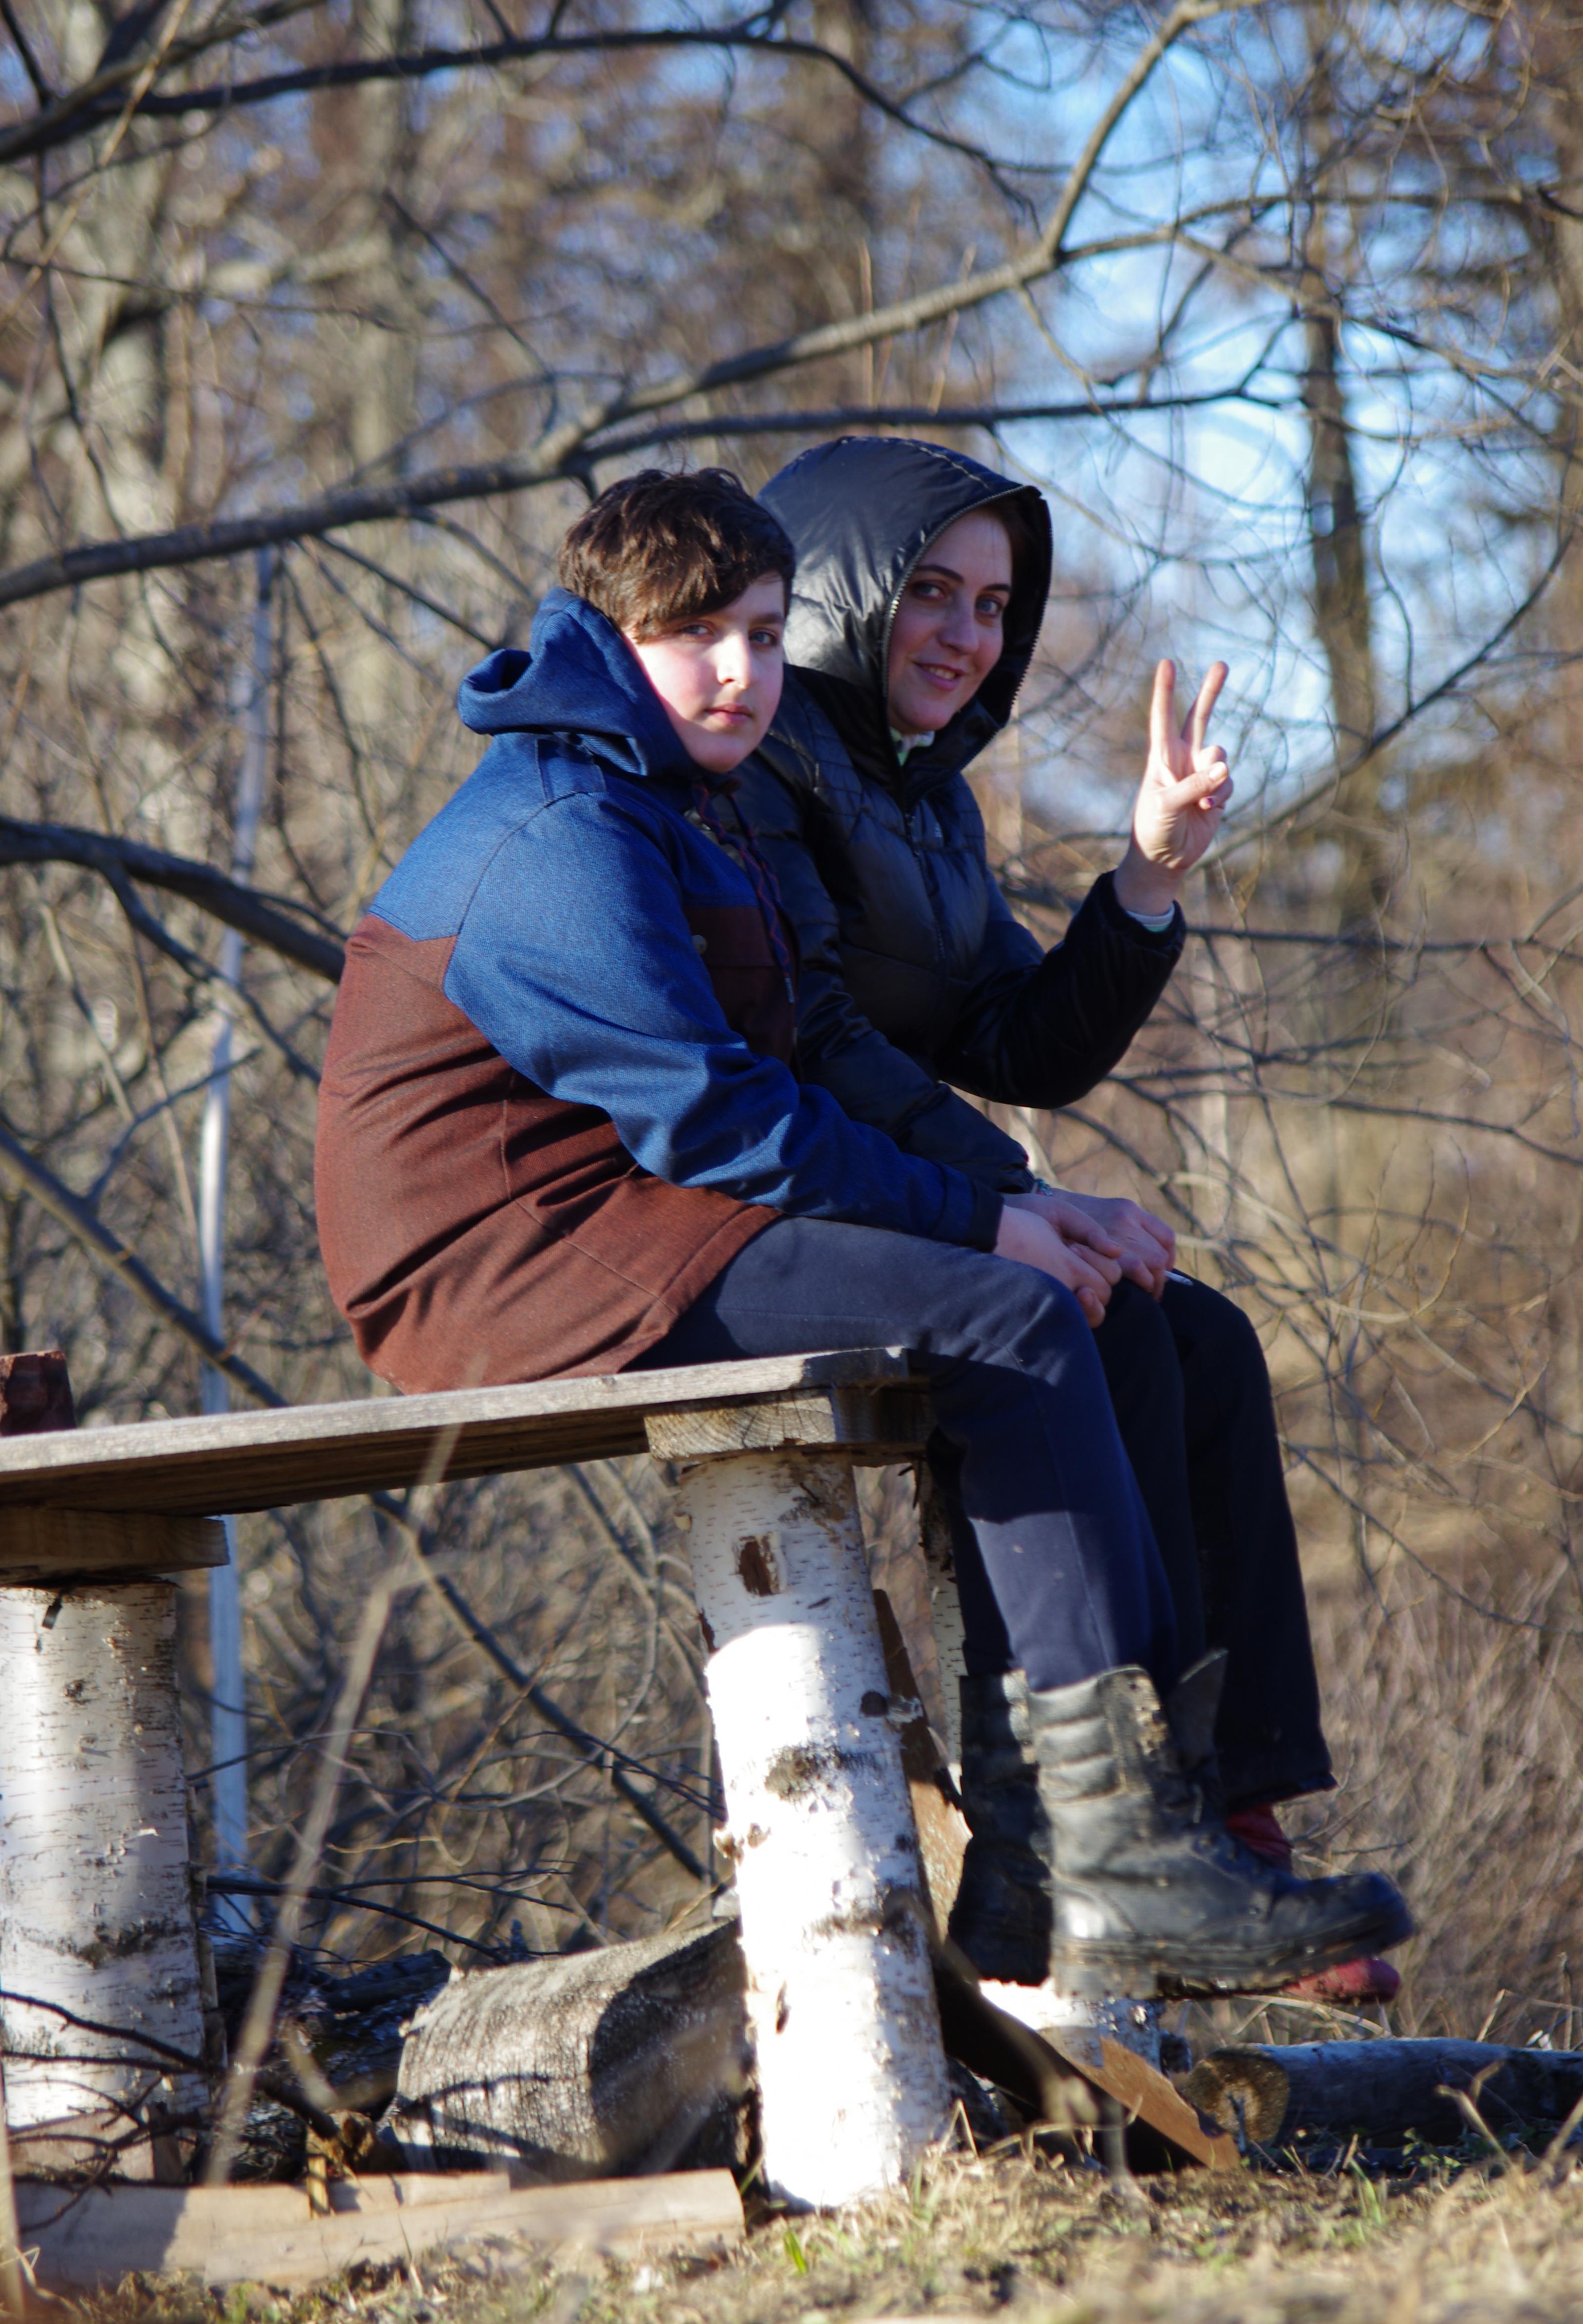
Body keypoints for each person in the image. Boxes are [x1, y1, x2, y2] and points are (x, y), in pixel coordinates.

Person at [314, 464, 1409, 2003]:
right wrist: (985, 1220)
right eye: (696, 635)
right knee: (1008, 1315)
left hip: (632, 1218)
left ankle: (1088, 1850)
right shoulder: (563, 823)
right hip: (506, 1263)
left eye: (762, 635)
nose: (740, 671)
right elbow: (719, 1117)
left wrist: (1014, 1199)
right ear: (608, 638)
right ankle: (1114, 1854)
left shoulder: (680, 799)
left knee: (1082, 1311)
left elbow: (834, 1059)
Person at [735, 434, 1397, 1998]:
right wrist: (1020, 1202)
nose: (968, 636)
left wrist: (1147, 879)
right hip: (786, 1201)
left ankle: (1221, 1816)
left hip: (900, 1188)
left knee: (1201, 1338)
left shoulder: (927, 803)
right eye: (933, 592)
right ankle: (1064, 1847)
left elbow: (1017, 1042)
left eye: (995, 607)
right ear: (839, 589)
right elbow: (810, 1038)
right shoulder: (763, 770)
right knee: (1097, 1320)